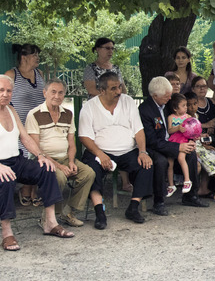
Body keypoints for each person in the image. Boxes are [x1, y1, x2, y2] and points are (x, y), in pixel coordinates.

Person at [0, 75, 73, 251]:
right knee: (5, 179)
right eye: (1, 90)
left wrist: (41, 155)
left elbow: (25, 137)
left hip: (14, 160)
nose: (5, 94)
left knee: (47, 168)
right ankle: (7, 233)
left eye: (9, 90)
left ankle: (50, 222)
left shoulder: (11, 110)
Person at [79, 72, 154, 226]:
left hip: (128, 151)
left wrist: (142, 151)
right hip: (100, 151)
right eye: (113, 88)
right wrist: (100, 154)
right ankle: (100, 212)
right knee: (90, 171)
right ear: (102, 91)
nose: (118, 91)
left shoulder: (128, 102)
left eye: (119, 86)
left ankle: (133, 207)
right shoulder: (89, 107)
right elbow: (84, 136)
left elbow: (138, 130)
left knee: (147, 164)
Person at [25, 79, 95, 227]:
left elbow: (71, 143)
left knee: (88, 173)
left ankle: (69, 212)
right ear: (45, 93)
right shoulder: (34, 114)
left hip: (64, 158)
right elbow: (36, 149)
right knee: (59, 177)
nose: (57, 96)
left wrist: (70, 162)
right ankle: (49, 218)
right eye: (53, 92)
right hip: (42, 160)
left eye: (61, 92)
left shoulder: (68, 114)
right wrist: (59, 166)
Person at [139, 78, 208, 214]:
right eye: (166, 96)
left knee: (191, 153)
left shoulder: (167, 103)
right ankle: (159, 201)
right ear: (155, 96)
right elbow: (152, 141)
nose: (170, 98)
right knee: (161, 161)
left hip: (173, 140)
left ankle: (191, 195)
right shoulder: (145, 110)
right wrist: (177, 148)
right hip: (156, 147)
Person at [83, 37, 131, 193]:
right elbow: (91, 89)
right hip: (97, 111)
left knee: (123, 140)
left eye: (112, 48)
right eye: (107, 48)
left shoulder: (116, 68)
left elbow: (123, 89)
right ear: (97, 49)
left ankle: (125, 182)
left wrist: (117, 98)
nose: (110, 51)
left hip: (117, 109)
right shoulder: (90, 68)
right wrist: (107, 97)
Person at [5, 43, 45, 207]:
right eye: (35, 55)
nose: (38, 58)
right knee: (25, 156)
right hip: (20, 125)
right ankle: (25, 189)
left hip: (39, 123)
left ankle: (34, 190)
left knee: (39, 154)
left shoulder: (39, 73)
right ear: (24, 57)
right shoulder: (11, 75)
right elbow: (3, 97)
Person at [166, 94, 194, 197]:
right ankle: (171, 185)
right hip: (173, 140)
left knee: (181, 158)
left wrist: (192, 139)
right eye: (183, 105)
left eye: (186, 105)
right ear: (175, 108)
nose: (186, 107)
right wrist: (178, 128)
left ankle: (187, 180)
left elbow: (193, 129)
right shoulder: (171, 117)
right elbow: (169, 130)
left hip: (183, 140)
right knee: (170, 163)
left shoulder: (188, 117)